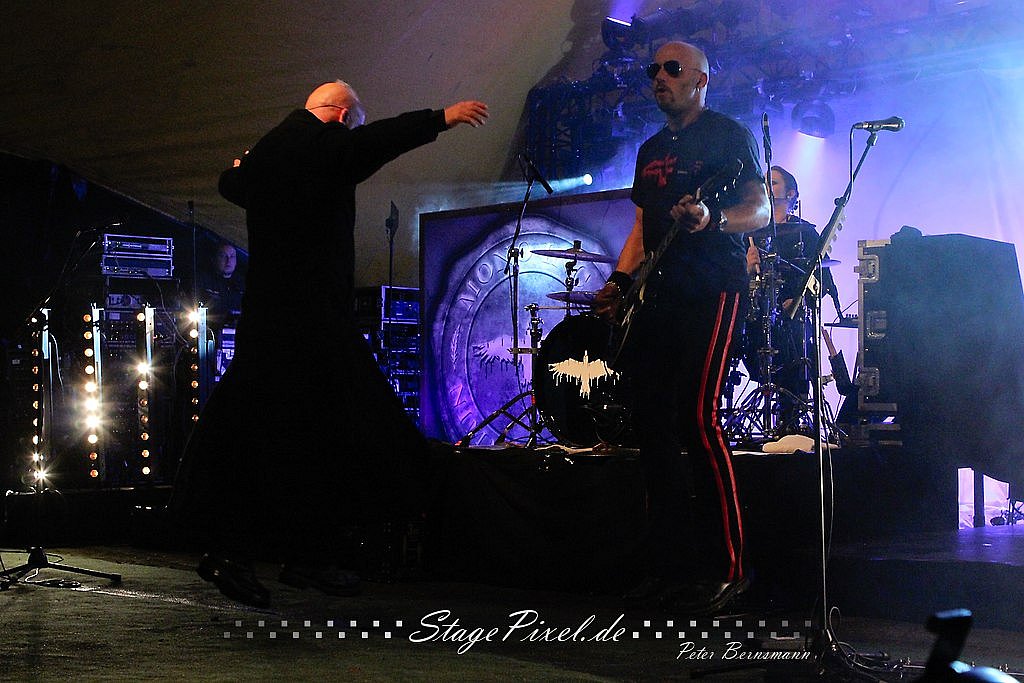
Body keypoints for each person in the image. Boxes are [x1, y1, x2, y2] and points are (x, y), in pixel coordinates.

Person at [169, 80, 488, 607]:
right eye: (351, 126)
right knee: (331, 426)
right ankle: (251, 552)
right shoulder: (322, 142)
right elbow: (374, 142)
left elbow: (232, 184)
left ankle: (300, 553)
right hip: (310, 317)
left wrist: (239, 171)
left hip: (272, 314)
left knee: (292, 434)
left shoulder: (268, 151)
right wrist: (441, 117)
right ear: (341, 117)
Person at [594, 41, 770, 614]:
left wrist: (713, 219)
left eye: (672, 69)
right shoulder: (650, 151)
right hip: (660, 295)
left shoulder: (727, 136)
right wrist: (620, 282)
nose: (659, 78)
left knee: (698, 416)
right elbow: (641, 228)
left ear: (701, 79)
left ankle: (731, 569)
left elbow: (762, 210)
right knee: (650, 423)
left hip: (713, 290)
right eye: (654, 70)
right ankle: (669, 566)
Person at [744, 166, 837, 433]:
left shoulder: (805, 233)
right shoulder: (748, 231)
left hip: (793, 316)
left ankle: (792, 420)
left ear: (791, 193)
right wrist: (746, 266)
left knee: (795, 342)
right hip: (757, 310)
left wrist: (799, 300)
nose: (766, 187)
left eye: (773, 183)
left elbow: (823, 280)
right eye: (765, 182)